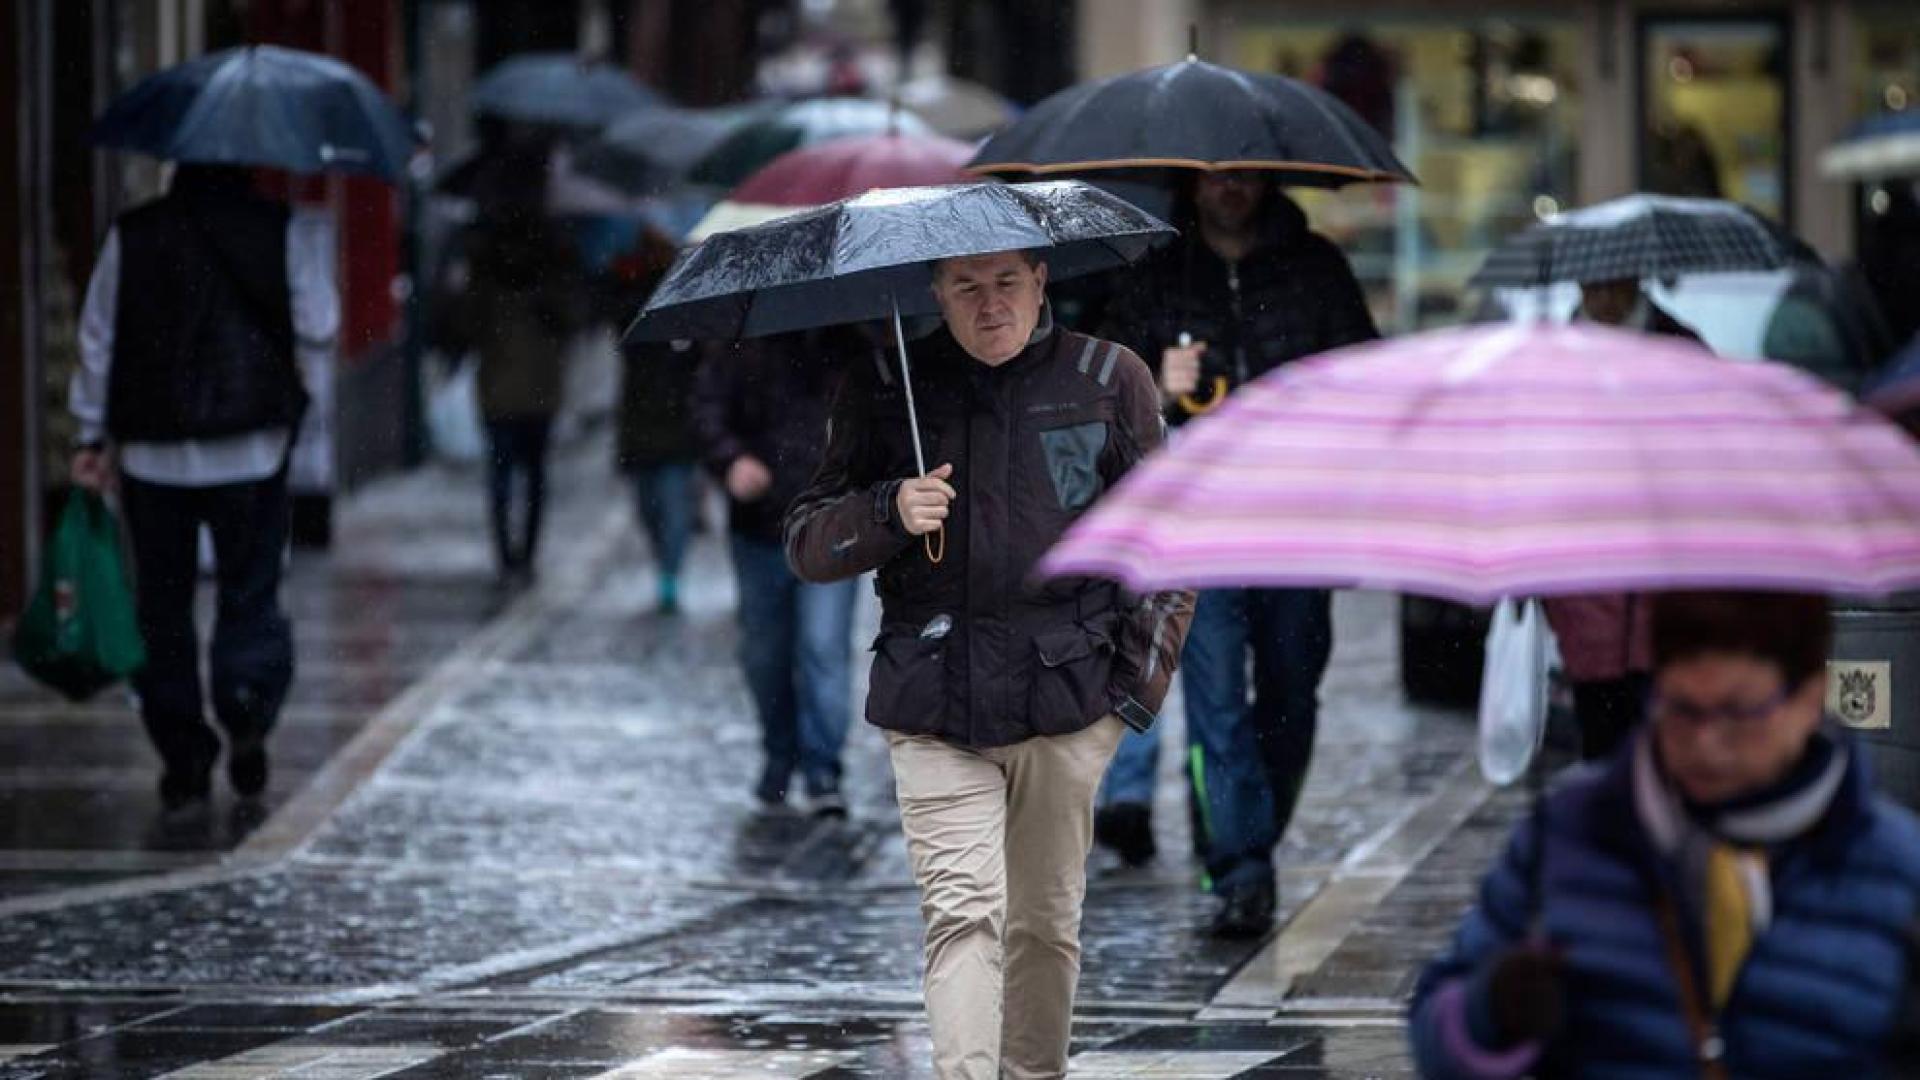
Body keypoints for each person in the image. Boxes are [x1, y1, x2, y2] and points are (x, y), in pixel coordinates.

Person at [786, 249, 1193, 1080]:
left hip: (1069, 699)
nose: (989, 304)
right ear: (935, 292)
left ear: (1043, 280)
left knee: (1044, 923)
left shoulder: (1107, 377)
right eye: (966, 286)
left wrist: (1133, 699)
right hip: (931, 700)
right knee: (963, 915)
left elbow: (1172, 542)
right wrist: (886, 510)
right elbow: (806, 540)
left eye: (1006, 281)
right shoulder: (888, 384)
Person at [1409, 590, 1920, 1077]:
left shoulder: (1892, 869)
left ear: (1810, 696)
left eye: (1737, 713)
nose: (1706, 744)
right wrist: (1490, 1008)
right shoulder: (1568, 837)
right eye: (1683, 711)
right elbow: (1437, 1029)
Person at [1094, 170, 1378, 937]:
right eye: (1218, 174)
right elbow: (1105, 397)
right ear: (1193, 180)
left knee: (1291, 689)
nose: (1231, 187)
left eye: (1245, 173)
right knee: (1216, 700)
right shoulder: (1157, 270)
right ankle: (1242, 868)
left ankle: (1249, 832)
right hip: (1198, 520)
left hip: (1301, 517)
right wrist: (1155, 380)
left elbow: (1368, 376)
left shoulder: (1315, 266)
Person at [68, 164, 337, 825]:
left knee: (162, 605)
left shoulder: (133, 234)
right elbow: (322, 323)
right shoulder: (282, 229)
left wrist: (88, 431)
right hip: (251, 443)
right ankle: (245, 703)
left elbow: (98, 334)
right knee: (250, 590)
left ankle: (182, 752)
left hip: (154, 448)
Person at [695, 330, 862, 814]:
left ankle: (823, 768)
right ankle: (780, 753)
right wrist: (731, 461)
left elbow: (878, 420)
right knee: (764, 654)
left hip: (831, 528)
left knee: (822, 647)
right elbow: (706, 409)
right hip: (761, 528)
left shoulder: (852, 341)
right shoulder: (739, 341)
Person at [1545, 278, 1706, 759]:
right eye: (1595, 288)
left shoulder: (1679, 349)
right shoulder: (1554, 360)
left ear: (1636, 282)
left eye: (1615, 287)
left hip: (1664, 567)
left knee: (1663, 726)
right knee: (1600, 720)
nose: (1605, 300)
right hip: (1584, 575)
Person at [448, 188, 586, 587]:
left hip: (501, 390)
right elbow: (571, 318)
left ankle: (510, 556)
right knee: (532, 475)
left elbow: (464, 326)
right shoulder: (551, 266)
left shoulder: (487, 269)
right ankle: (522, 554)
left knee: (503, 474)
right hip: (534, 390)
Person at [612, 229, 698, 615]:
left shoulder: (688, 300)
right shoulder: (630, 298)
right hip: (641, 423)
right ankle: (664, 563)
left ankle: (670, 573)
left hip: (679, 426)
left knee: (674, 506)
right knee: (648, 508)